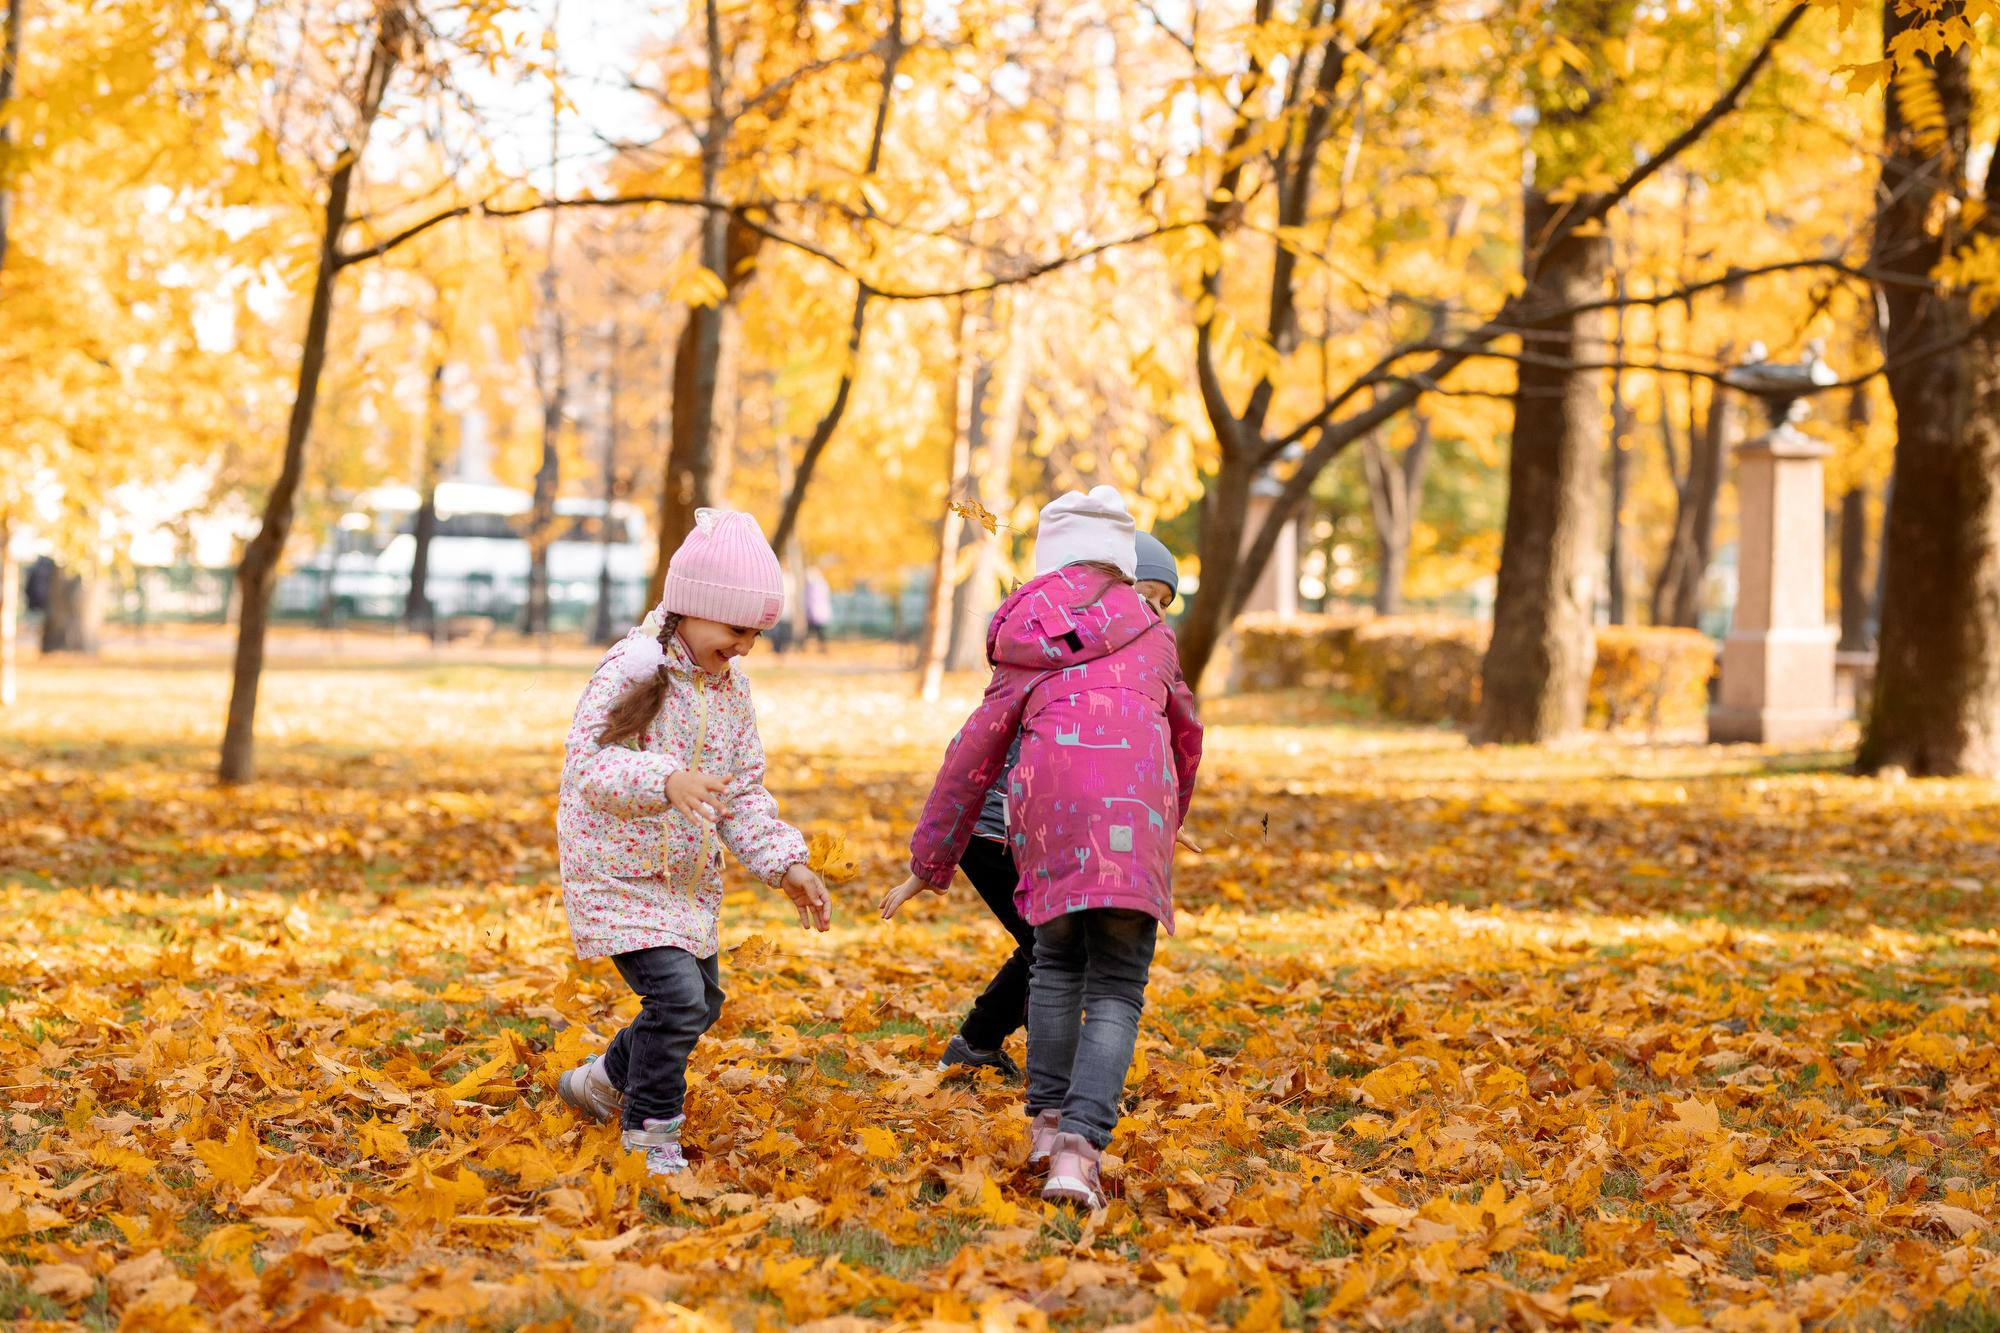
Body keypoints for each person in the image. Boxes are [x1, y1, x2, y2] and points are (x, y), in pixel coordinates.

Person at [881, 486, 1202, 1208]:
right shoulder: (1155, 632)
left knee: (1055, 965)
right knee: (1116, 986)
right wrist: (1166, 817)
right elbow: (1187, 733)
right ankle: (1079, 1154)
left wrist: (927, 862)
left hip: (1048, 823)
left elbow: (971, 755)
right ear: (1122, 565)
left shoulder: (1027, 632)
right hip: (1134, 819)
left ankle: (1046, 1124)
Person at [553, 508, 832, 1176]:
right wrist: (665, 778)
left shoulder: (730, 692)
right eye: (736, 629)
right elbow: (589, 766)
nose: (745, 646)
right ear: (692, 607)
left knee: (701, 1003)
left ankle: (597, 1080)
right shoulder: (636, 667)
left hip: (681, 880)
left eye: (756, 634)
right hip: (618, 874)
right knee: (677, 999)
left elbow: (740, 792)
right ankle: (650, 1133)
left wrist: (784, 862)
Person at [804, 567, 833, 651]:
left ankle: (805, 647)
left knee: (814, 632)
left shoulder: (812, 587)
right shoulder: (823, 585)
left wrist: (808, 612)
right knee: (818, 632)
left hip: (815, 613)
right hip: (819, 613)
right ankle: (822, 648)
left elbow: (810, 601)